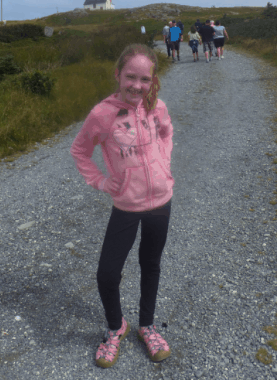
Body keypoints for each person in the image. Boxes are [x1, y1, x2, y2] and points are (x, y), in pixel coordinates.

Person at [70, 44, 173, 368]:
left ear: (152, 79)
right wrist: (101, 182)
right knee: (107, 274)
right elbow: (79, 151)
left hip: (160, 200)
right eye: (130, 77)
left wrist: (163, 164)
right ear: (117, 75)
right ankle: (117, 327)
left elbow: (167, 135)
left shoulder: (158, 107)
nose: (137, 85)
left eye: (145, 79)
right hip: (127, 204)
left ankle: (147, 326)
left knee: (150, 264)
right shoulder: (102, 114)